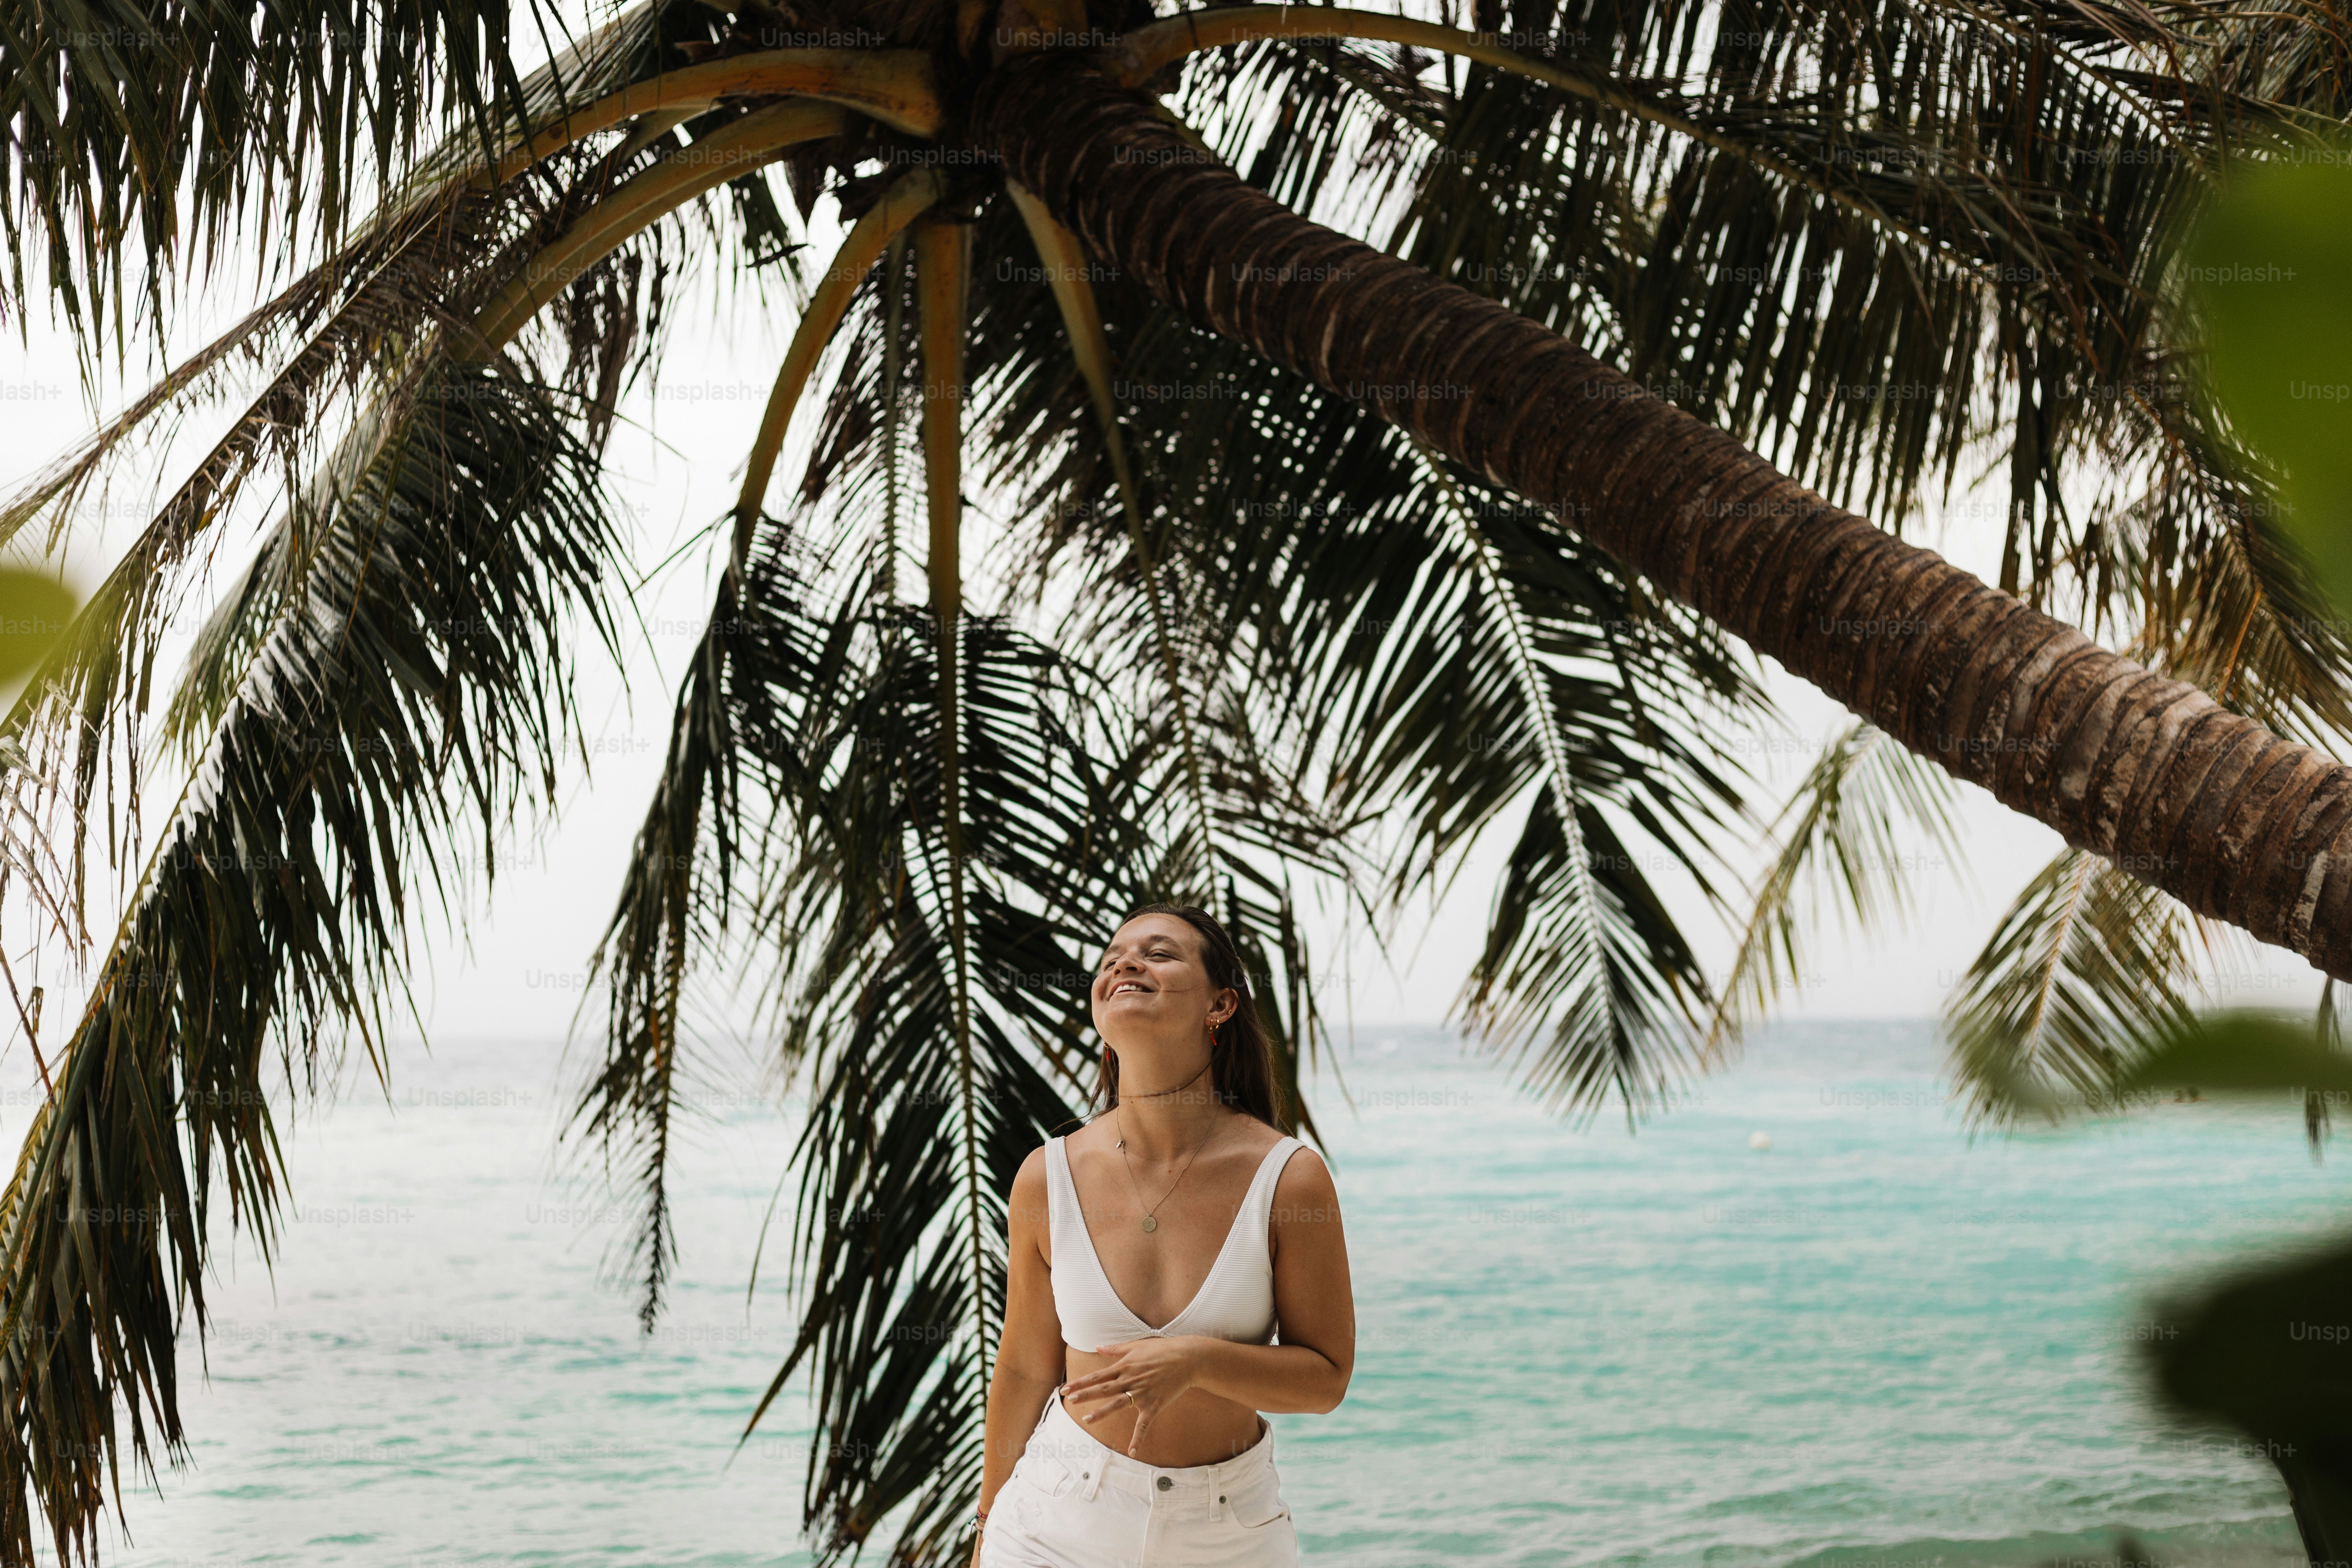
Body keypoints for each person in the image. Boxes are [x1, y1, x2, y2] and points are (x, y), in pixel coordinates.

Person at [972, 903, 1356, 1567]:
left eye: (1158, 953)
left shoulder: (1287, 1179)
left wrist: (1199, 1361)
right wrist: (985, 1527)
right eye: (1113, 957)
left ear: (1221, 1005)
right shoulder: (1046, 1177)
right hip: (1051, 1521)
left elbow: (1325, 1379)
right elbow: (1026, 1367)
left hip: (1228, 1531)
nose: (1125, 963)